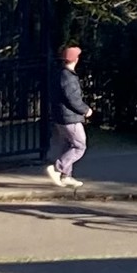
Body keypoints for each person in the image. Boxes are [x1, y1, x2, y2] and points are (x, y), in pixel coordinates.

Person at [46, 44, 92, 188]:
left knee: (68, 145)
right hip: (69, 118)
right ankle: (57, 168)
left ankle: (66, 176)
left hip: (61, 116)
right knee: (79, 146)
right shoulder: (68, 77)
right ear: (75, 59)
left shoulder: (59, 74)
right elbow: (72, 99)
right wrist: (86, 110)